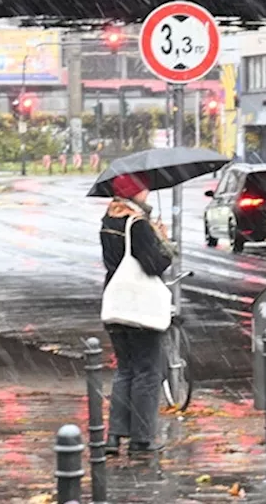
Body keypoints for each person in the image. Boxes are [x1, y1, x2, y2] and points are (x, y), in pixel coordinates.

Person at [100, 173, 173, 455]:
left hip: (116, 303)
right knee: (147, 371)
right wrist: (163, 243)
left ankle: (115, 436)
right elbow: (154, 265)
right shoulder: (138, 224)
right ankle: (142, 438)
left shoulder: (108, 221)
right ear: (134, 194)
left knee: (125, 370)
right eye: (144, 190)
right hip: (140, 307)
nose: (148, 194)